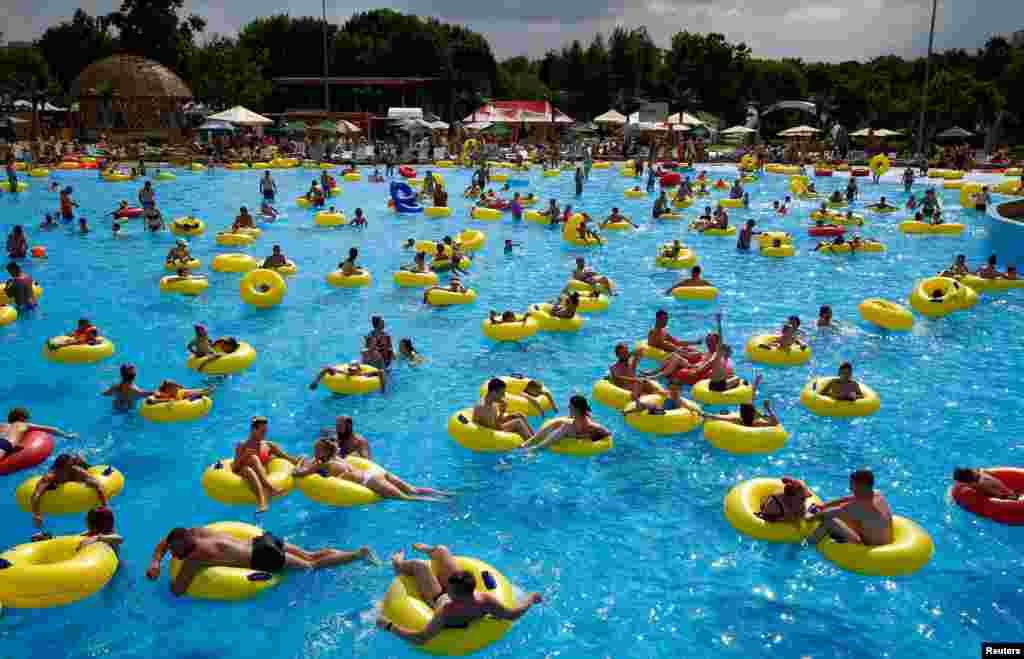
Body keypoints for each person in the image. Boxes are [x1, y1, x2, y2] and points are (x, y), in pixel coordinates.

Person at [377, 544, 542, 644]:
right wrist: (531, 599)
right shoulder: (484, 599)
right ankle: (432, 551)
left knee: (420, 566)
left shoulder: (446, 611)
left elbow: (421, 638)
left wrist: (390, 626)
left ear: (451, 591)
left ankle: (397, 563)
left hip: (437, 598)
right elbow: (512, 614)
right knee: (442, 550)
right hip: (461, 596)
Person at [146, 526, 372, 596]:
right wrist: (157, 560)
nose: (173, 555)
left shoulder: (194, 558)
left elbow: (178, 590)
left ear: (185, 544)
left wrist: (163, 583)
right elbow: (165, 541)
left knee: (311, 566)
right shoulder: (195, 532)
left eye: (175, 551)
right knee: (311, 554)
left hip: (263, 557)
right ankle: (351, 551)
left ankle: (356, 555)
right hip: (261, 541)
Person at [293, 438, 451, 502]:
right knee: (413, 490)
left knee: (407, 499)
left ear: (325, 452)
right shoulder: (338, 457)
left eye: (316, 449)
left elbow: (298, 473)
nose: (314, 452)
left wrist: (300, 462)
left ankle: (443, 503)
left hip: (370, 481)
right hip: (376, 474)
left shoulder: (321, 465)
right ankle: (445, 495)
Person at [805, 469, 893, 546]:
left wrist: (809, 518)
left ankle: (808, 545)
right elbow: (848, 498)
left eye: (852, 484)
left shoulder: (859, 506)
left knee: (828, 521)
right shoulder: (876, 494)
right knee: (845, 518)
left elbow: (827, 514)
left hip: (871, 546)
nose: (850, 488)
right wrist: (824, 506)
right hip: (885, 540)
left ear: (861, 485)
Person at [29, 454, 107, 528]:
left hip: (76, 466)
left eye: (72, 466)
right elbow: (36, 494)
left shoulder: (75, 471)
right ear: (58, 469)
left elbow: (98, 485)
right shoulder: (50, 477)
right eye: (69, 467)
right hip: (60, 472)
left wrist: (104, 507)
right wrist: (36, 514)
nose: (72, 467)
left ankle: (80, 459)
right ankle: (77, 459)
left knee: (86, 466)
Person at [520, 395, 610, 451]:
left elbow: (608, 434)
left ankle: (530, 444)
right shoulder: (571, 423)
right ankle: (529, 442)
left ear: (576, 409)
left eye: (570, 406)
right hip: (576, 424)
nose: (568, 407)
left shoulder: (589, 426)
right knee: (556, 423)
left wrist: (589, 437)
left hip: (575, 428)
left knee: (561, 426)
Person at [0, 407, 76, 461]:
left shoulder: (2, 425)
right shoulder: (24, 424)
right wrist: (67, 436)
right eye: (26, 418)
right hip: (6, 444)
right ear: (21, 418)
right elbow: (52, 429)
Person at [952, 468, 1023, 501]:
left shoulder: (979, 484)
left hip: (985, 484)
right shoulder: (980, 472)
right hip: (989, 479)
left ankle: (1016, 498)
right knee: (1005, 489)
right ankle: (1015, 495)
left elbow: (997, 494)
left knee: (1000, 493)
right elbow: (978, 470)